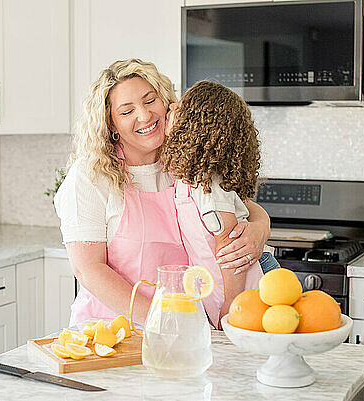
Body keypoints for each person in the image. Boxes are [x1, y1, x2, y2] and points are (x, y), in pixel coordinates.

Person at [54, 59, 272, 327]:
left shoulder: (184, 160)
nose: (144, 116)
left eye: (149, 100)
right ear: (111, 125)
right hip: (117, 330)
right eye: (126, 111)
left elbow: (238, 205)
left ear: (165, 101)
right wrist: (164, 321)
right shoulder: (90, 175)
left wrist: (261, 227)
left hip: (190, 326)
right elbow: (89, 270)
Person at [162, 80, 281, 324]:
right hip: (232, 283)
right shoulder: (191, 177)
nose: (172, 106)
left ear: (195, 126)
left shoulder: (208, 186)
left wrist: (230, 309)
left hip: (250, 280)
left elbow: (230, 249)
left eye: (181, 107)